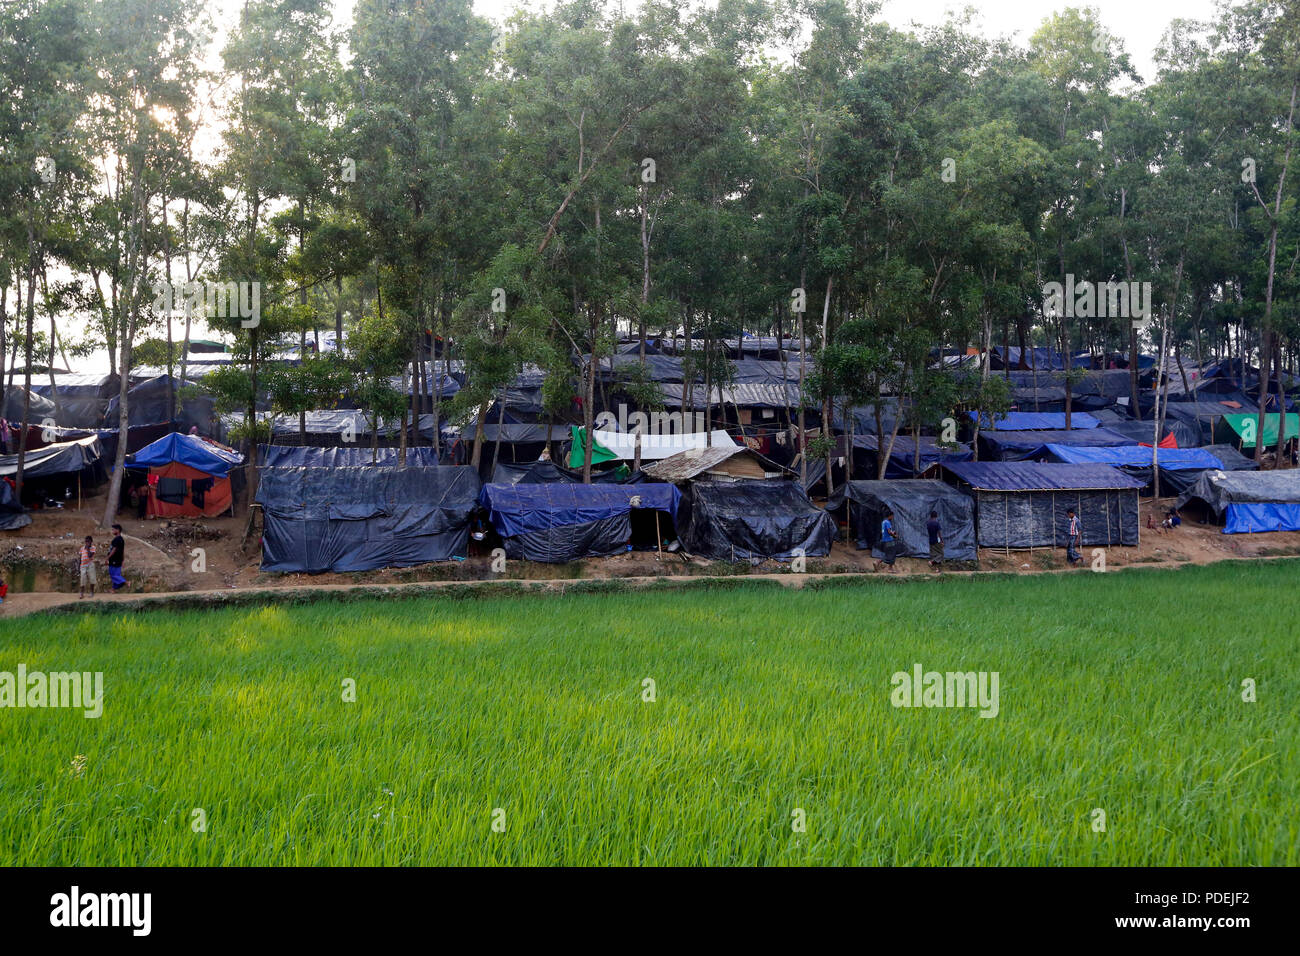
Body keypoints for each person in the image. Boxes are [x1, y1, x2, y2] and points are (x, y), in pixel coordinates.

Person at [107, 523, 127, 592]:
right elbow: (122, 551)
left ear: (118, 530)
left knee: (113, 574)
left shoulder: (117, 539)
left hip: (114, 559)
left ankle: (126, 582)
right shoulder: (121, 539)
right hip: (119, 560)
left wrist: (108, 557)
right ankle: (113, 589)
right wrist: (123, 560)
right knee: (117, 574)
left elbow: (114, 549)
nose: (112, 531)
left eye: (113, 530)